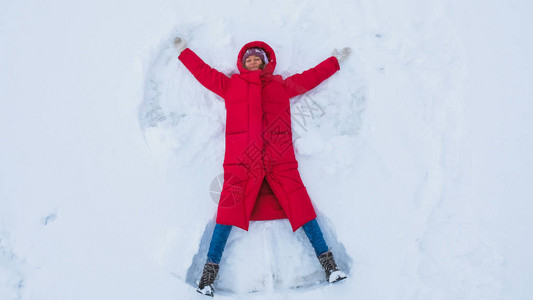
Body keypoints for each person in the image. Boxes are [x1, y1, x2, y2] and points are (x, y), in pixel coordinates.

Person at [174, 37, 351, 297]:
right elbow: (204, 73)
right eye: (249, 59)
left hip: (280, 162)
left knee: (303, 210)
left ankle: (330, 266)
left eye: (258, 58)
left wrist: (334, 61)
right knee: (226, 216)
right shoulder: (231, 85)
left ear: (266, 63)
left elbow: (311, 77)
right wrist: (184, 52)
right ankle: (207, 278)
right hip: (242, 164)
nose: (254, 61)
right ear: (242, 64)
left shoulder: (280, 86)